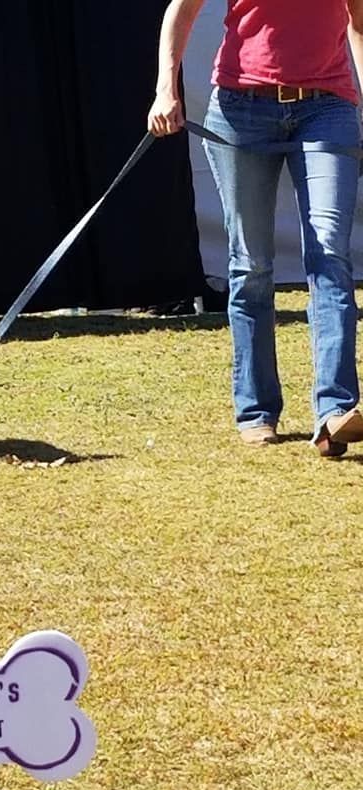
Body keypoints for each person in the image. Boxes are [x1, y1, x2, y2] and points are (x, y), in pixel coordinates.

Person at [148, 0, 363, 456]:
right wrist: (166, 88)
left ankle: (335, 411)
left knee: (329, 252)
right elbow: (181, 11)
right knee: (251, 263)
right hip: (242, 109)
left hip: (327, 109)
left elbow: (358, 23)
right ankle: (257, 410)